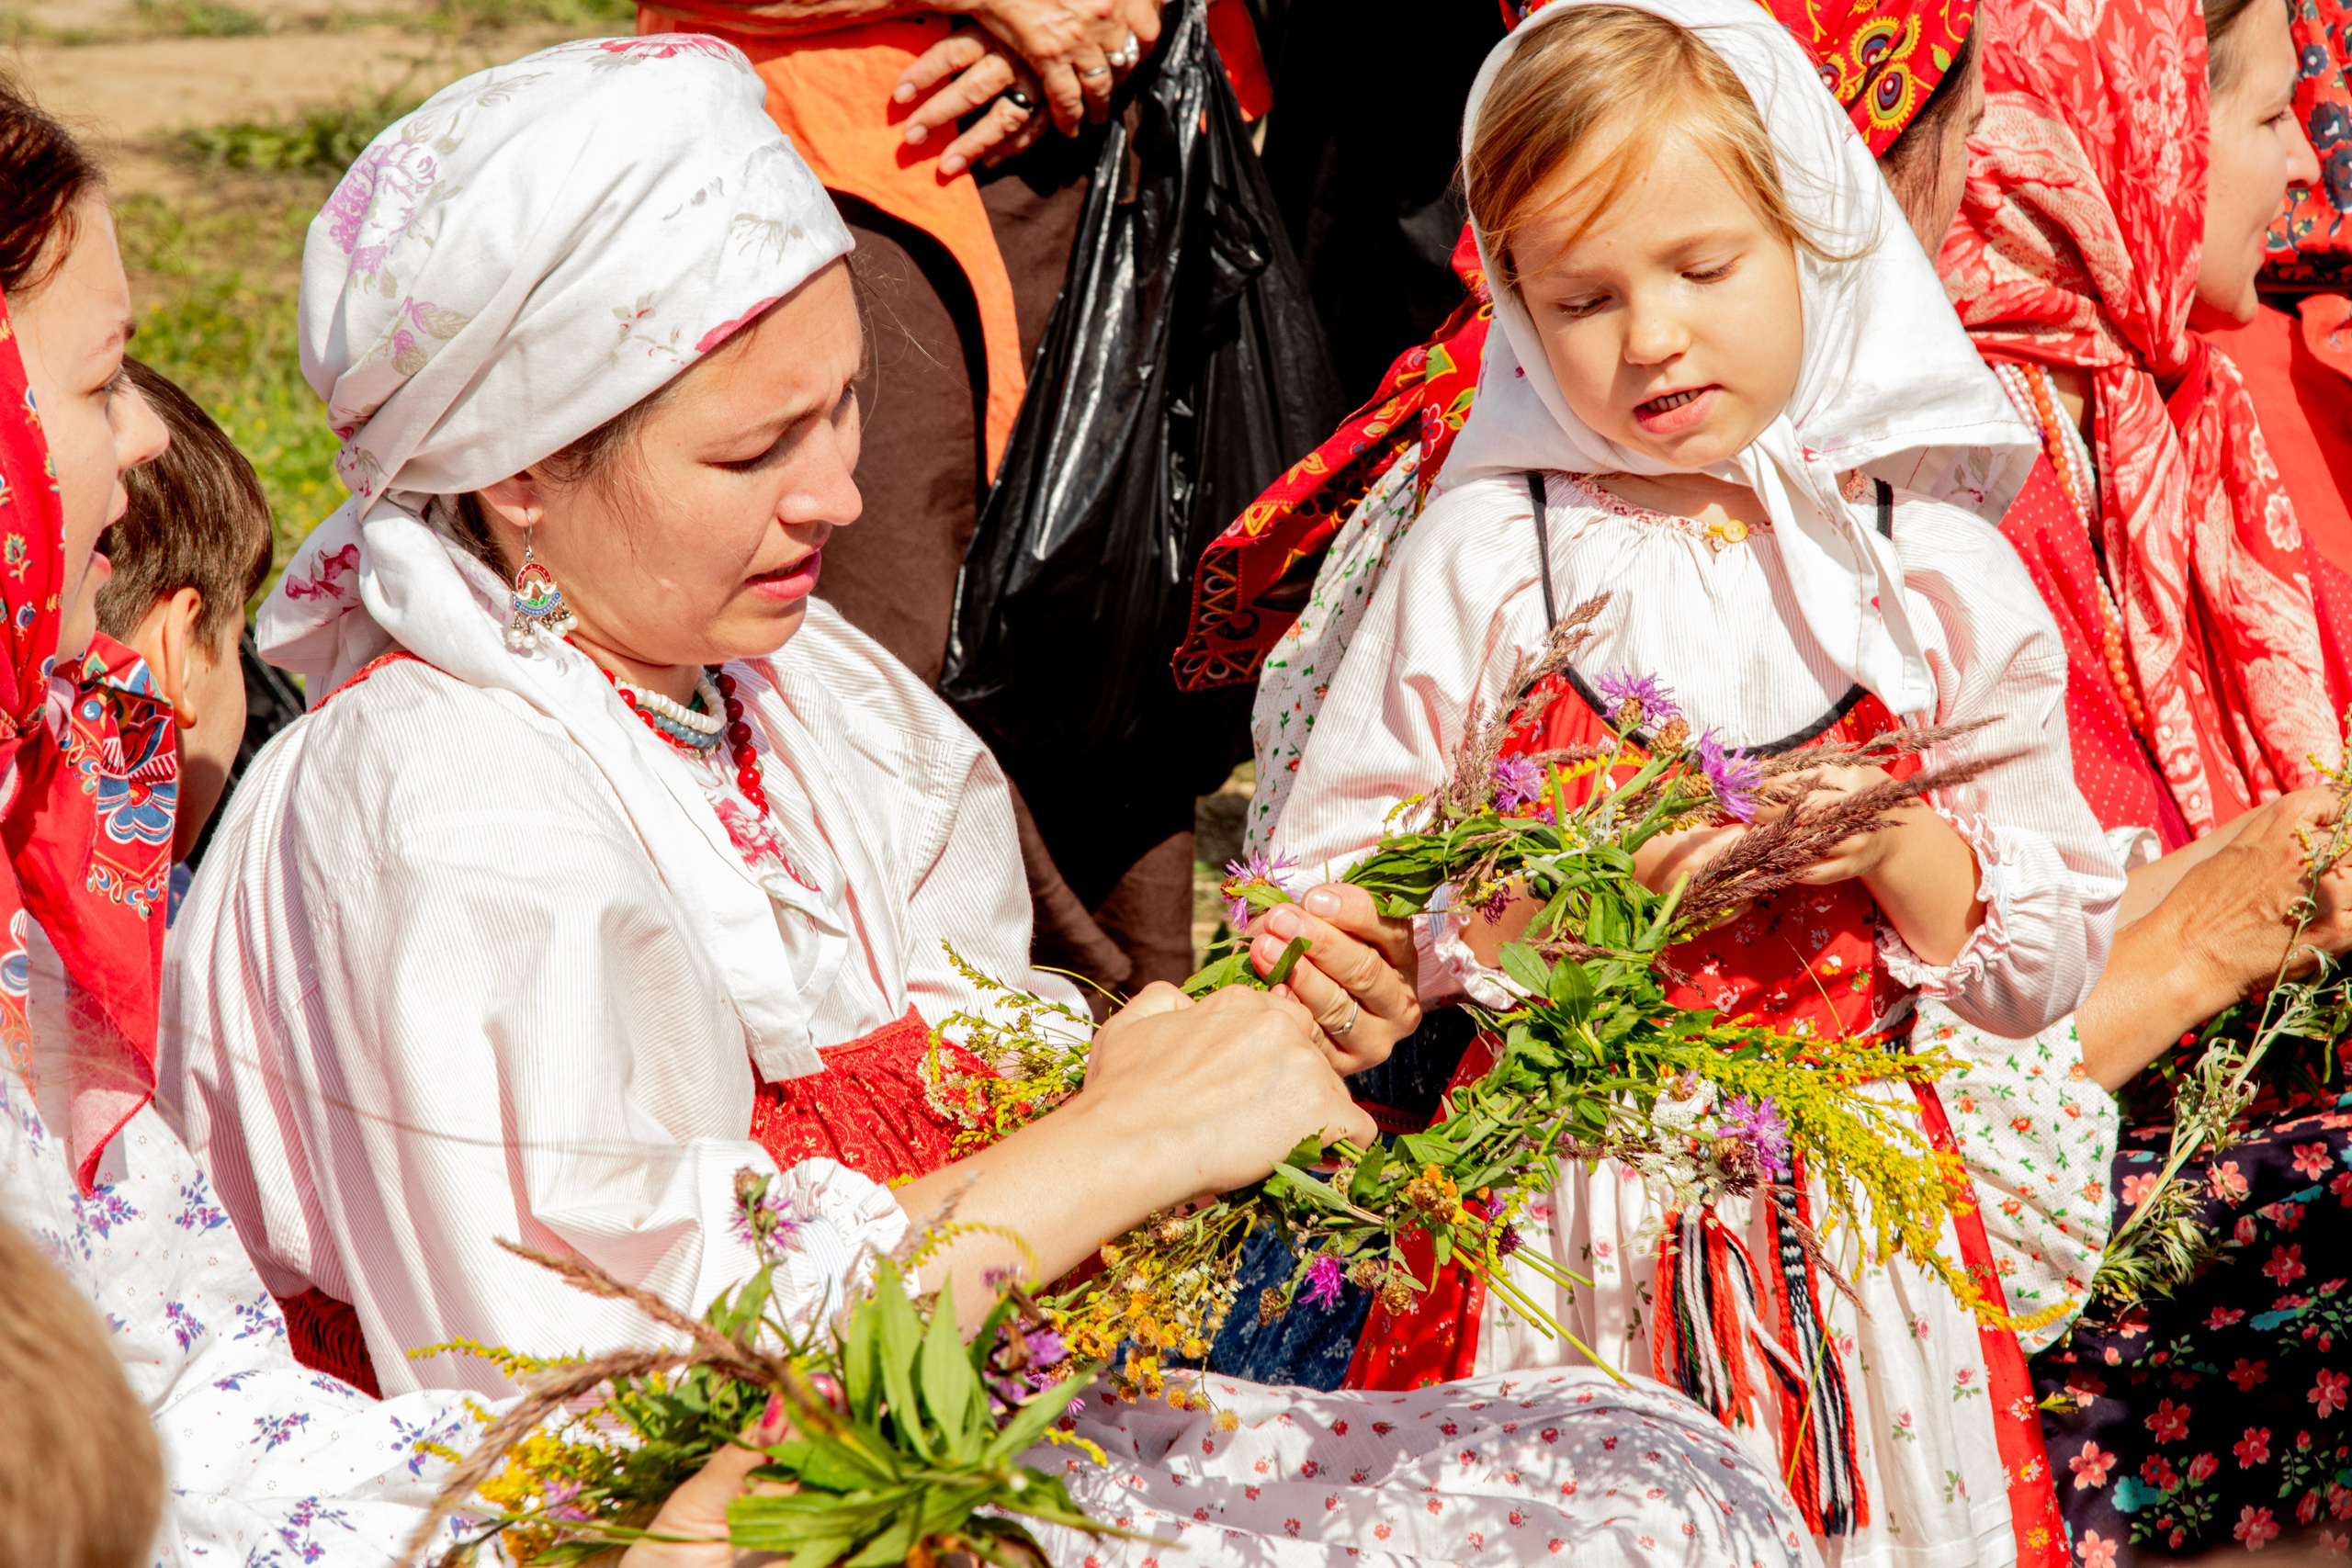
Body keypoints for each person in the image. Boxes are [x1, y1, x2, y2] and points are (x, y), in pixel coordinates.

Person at [156, 40, 1817, 1567]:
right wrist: (1131, 1134)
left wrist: (1257, 1026)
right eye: (754, 453)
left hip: (928, 1415)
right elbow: (617, 1423)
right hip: (750, 1507)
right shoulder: (442, 820)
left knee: (1660, 1469)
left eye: (845, 408)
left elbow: (962, 1083)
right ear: (517, 474)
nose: (842, 495)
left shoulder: (793, 696)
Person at [1260, 2, 2134, 1562]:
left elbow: (2041, 962)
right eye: (1581, 296)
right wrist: (1529, 910)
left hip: (1858, 1254)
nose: (1649, 337)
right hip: (1561, 1228)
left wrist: (1876, 840)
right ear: (1515, 304)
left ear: (1815, 233)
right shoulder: (1496, 558)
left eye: (1704, 269)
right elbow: (1331, 905)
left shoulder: (1920, 568)